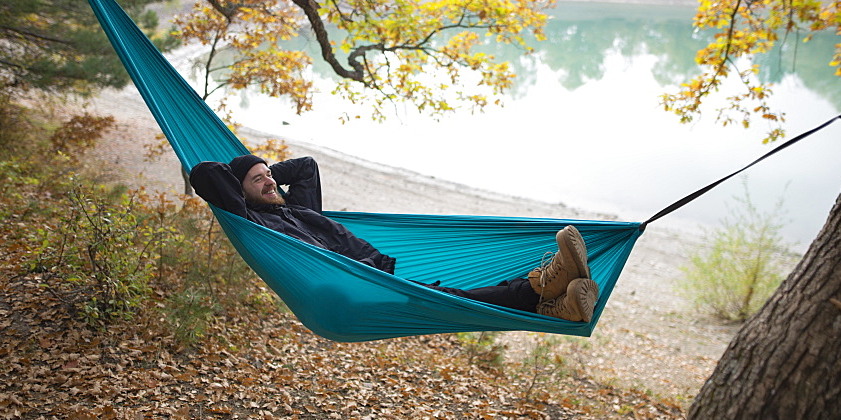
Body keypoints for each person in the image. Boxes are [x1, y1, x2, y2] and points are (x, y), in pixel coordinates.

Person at [189, 154, 599, 322]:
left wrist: (265, 171)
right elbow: (206, 174)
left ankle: (555, 303)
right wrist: (242, 177)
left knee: (451, 295)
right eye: (257, 180)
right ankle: (541, 284)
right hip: (346, 288)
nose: (270, 181)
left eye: (269, 176)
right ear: (238, 191)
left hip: (365, 274)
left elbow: (308, 167)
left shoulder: (298, 210)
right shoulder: (254, 223)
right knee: (449, 298)